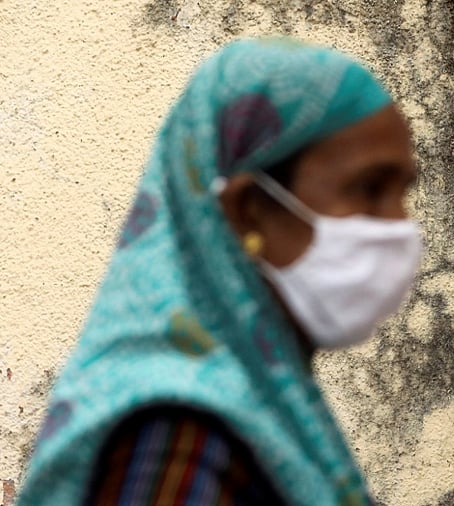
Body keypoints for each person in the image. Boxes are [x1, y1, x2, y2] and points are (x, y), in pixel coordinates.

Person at [17, 37, 422, 505]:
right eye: (370, 189)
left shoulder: (257, 400)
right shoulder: (182, 446)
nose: (400, 227)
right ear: (248, 210)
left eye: (403, 192)